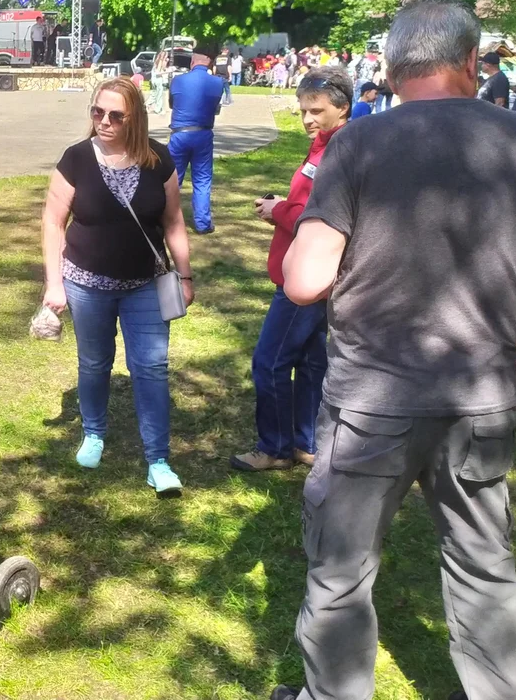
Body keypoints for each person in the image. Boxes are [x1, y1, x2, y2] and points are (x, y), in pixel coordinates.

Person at [269, 0, 516, 700]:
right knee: (484, 567)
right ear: (468, 61)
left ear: (393, 71)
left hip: (371, 404)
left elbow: (305, 281)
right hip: (481, 399)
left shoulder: (357, 144)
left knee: (341, 574)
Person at [40, 77, 194, 495]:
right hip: (86, 284)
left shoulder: (158, 160)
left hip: (146, 283)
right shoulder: (75, 159)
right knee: (94, 363)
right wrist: (54, 283)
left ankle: (158, 461)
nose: (103, 121)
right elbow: (54, 222)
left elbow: (174, 221)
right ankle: (93, 433)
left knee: (151, 368)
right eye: (96, 112)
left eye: (115, 115)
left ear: (135, 118)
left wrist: (185, 273)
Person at [230, 66, 351, 474]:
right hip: (307, 274)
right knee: (312, 362)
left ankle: (277, 447)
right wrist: (286, 205)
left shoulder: (340, 151)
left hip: (306, 279)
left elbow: (323, 216)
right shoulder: (322, 144)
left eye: (316, 111)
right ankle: (307, 442)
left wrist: (277, 209)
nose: (307, 120)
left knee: (270, 362)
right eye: (302, 111)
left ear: (343, 108)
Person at [166, 38, 223, 235]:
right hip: (203, 134)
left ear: (192, 62)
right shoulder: (217, 83)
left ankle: (164, 218)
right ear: (209, 63)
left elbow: (173, 104)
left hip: (180, 134)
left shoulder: (178, 80)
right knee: (202, 179)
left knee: (171, 178)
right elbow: (216, 109)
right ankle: (202, 223)